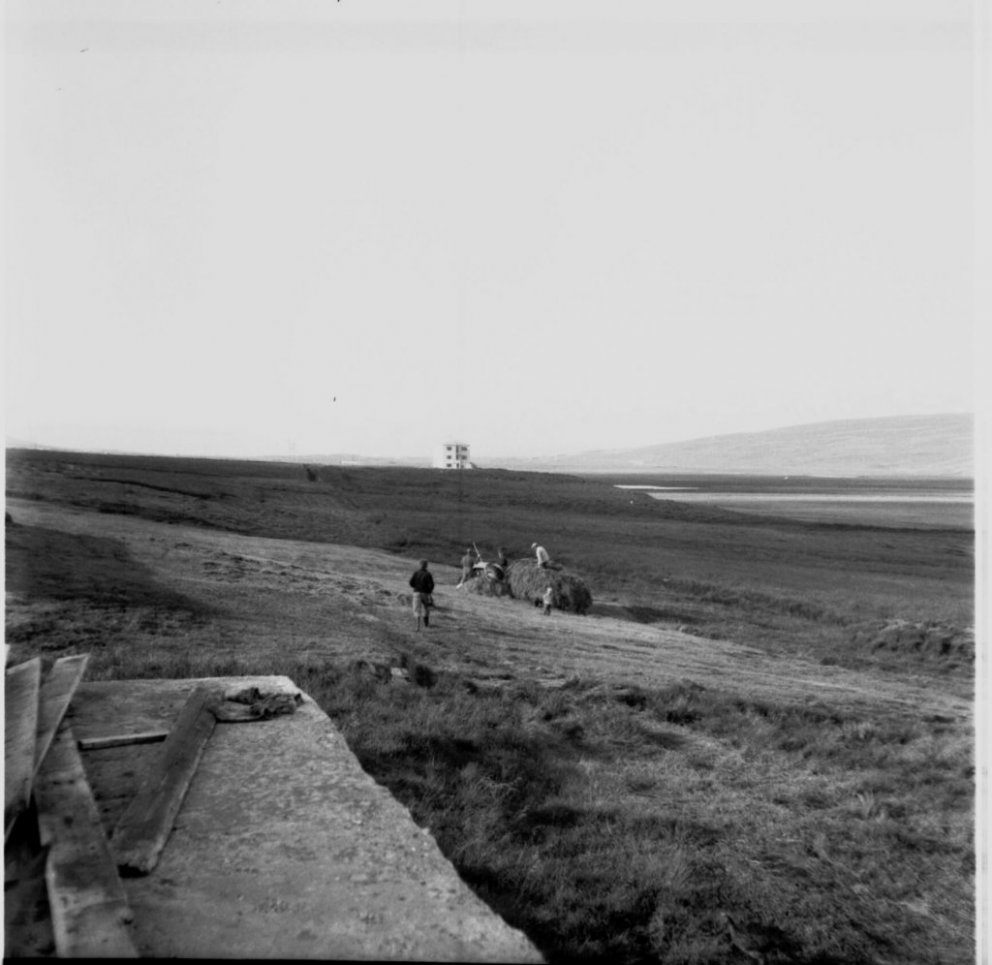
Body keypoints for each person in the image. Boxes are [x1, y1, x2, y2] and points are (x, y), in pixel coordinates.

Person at [409, 560, 435, 630]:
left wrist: (416, 587)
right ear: (426, 566)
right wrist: (429, 592)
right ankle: (426, 623)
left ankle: (417, 626)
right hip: (425, 593)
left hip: (416, 592)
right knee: (426, 608)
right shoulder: (428, 574)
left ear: (419, 565)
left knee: (416, 609)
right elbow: (431, 585)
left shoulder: (416, 573)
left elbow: (411, 583)